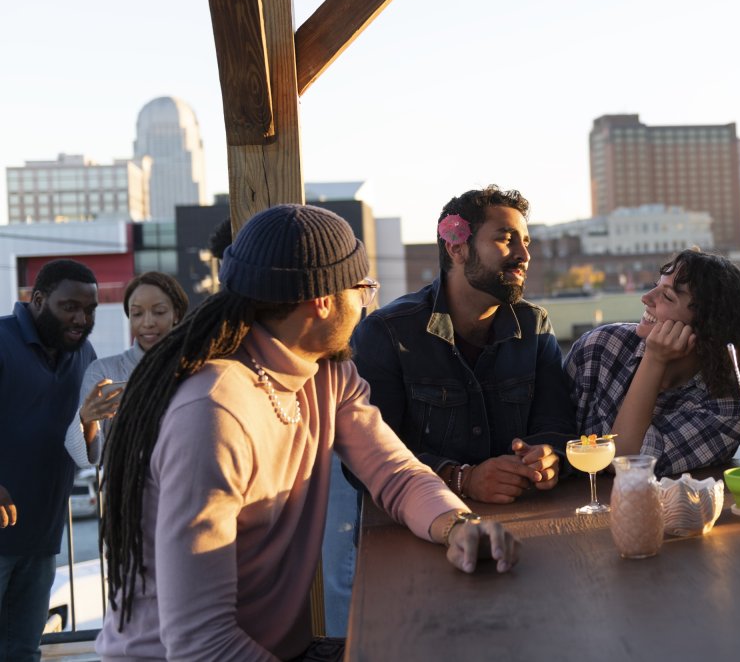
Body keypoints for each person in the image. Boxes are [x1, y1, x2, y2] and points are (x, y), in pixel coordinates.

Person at [96, 205, 519, 661]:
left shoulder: (325, 374)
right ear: (321, 300)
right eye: (363, 290)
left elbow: (394, 473)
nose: (365, 305)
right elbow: (201, 643)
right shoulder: (213, 413)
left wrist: (457, 526)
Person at [349, 185, 574, 501]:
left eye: (525, 242)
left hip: (527, 519)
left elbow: (559, 428)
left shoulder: (534, 327)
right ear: (457, 248)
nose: (524, 255)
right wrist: (460, 479)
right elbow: (366, 456)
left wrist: (551, 458)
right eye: (505, 239)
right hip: (415, 530)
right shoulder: (387, 333)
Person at [566, 249, 740, 476]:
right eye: (656, 285)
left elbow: (626, 463)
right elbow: (548, 432)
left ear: (708, 328)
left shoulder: (728, 406)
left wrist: (654, 359)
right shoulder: (600, 347)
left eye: (667, 296)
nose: (647, 298)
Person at [0, 259, 99, 661]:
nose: (81, 318)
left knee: (23, 651)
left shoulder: (85, 352)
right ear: (38, 299)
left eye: (89, 310)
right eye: (70, 307)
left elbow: (86, 447)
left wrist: (92, 421)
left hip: (42, 535)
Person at [64, 271, 188, 468]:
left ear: (177, 315)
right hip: (126, 493)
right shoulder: (103, 372)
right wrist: (86, 419)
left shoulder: (199, 369)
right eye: (137, 313)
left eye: (159, 311)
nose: (147, 323)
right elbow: (87, 460)